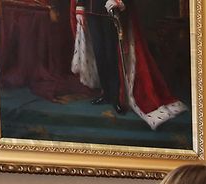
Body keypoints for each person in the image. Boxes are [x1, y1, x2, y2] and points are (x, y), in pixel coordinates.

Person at [70, 0, 188, 129]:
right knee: (99, 54)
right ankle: (106, 94)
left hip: (110, 10)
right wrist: (80, 8)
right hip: (91, 9)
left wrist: (118, 2)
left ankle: (116, 98)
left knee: (111, 55)